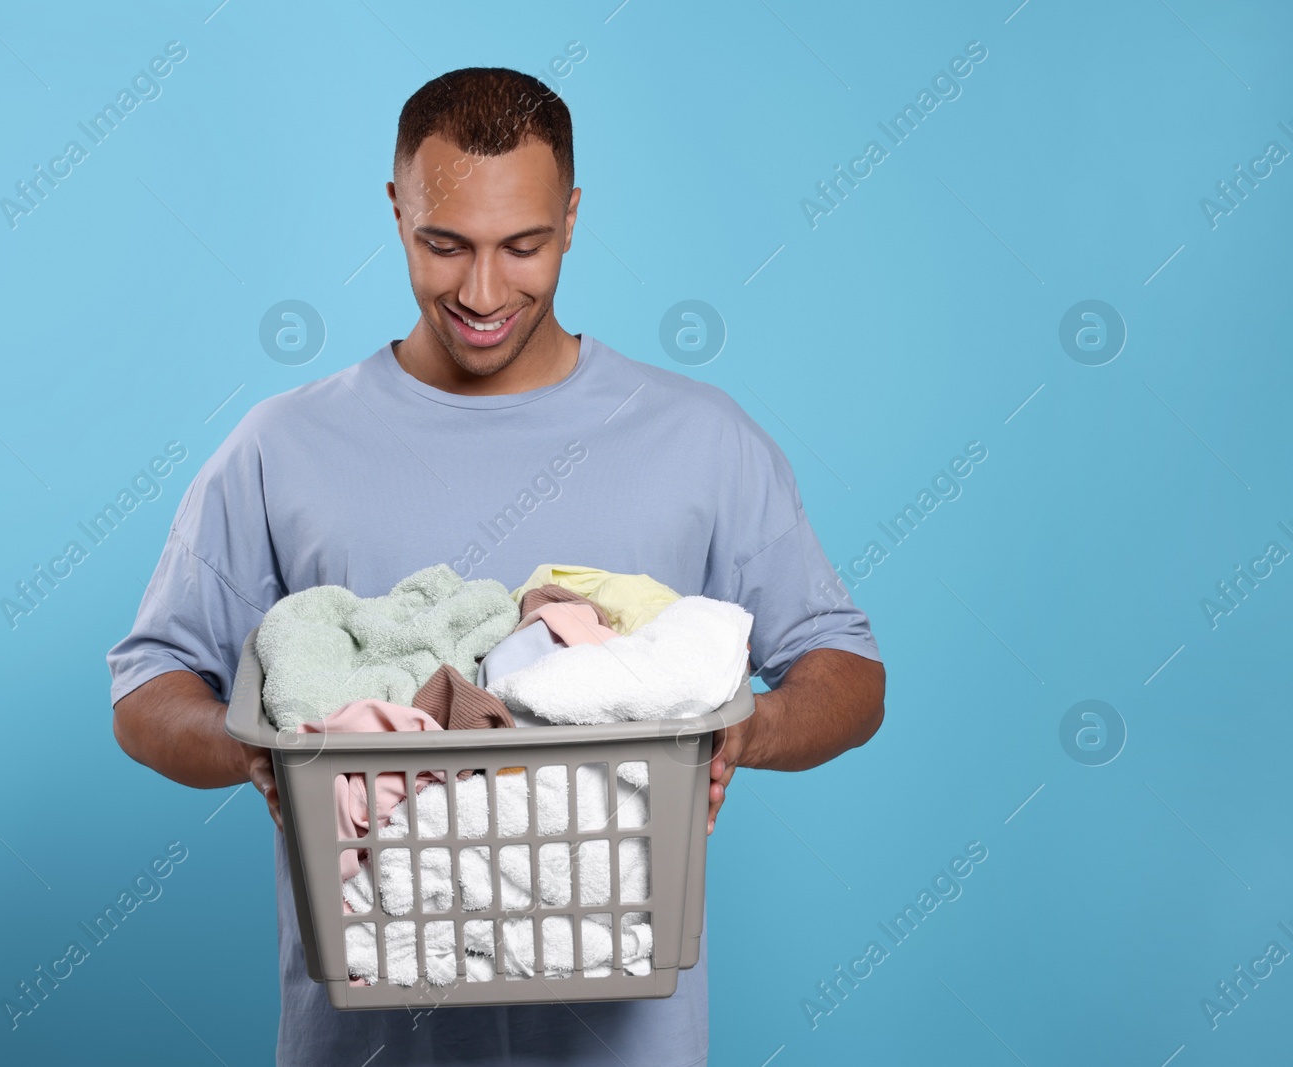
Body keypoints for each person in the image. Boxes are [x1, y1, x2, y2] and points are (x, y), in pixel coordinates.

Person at [108, 66, 884, 1067]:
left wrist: (752, 724)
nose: (481, 292)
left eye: (522, 246)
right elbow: (146, 686)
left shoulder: (700, 438)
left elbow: (848, 670)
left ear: (570, 217)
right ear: (396, 212)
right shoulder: (282, 445)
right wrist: (254, 748)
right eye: (444, 244)